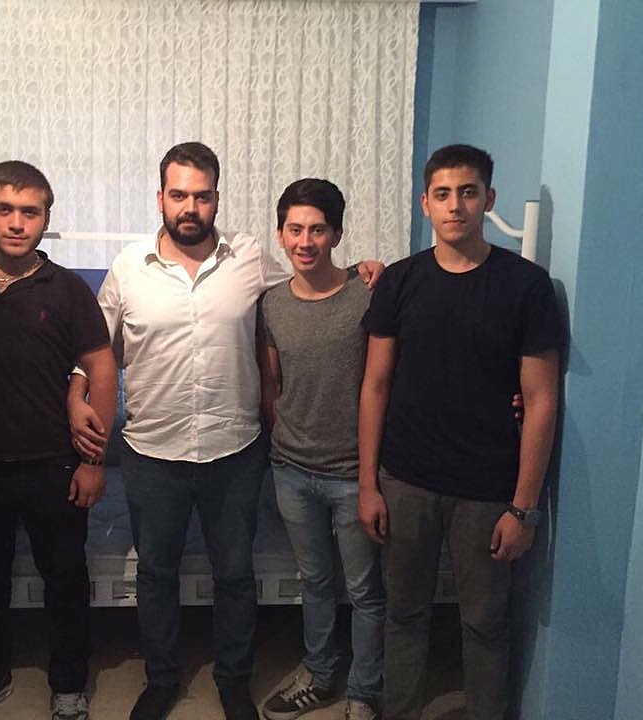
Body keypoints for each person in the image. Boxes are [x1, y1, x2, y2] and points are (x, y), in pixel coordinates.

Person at [70, 142, 381, 720]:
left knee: (235, 576)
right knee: (156, 575)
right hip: (152, 453)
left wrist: (366, 268)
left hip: (233, 451)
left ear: (217, 198)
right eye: (179, 195)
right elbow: (94, 347)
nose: (190, 207)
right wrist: (74, 391)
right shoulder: (128, 268)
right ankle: (161, 680)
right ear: (160, 197)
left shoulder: (250, 258)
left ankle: (234, 680)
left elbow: (310, 279)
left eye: (202, 196)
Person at [358, 144, 563, 720]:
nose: (456, 206)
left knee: (485, 623)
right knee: (403, 615)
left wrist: (523, 508)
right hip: (406, 481)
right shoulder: (400, 281)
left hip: (487, 490)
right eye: (443, 194)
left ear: (488, 199)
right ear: (425, 203)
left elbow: (542, 399)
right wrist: (369, 484)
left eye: (468, 192)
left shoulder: (526, 286)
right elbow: (375, 385)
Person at [0, 161, 117, 720]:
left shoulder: (68, 288)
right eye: (4, 209)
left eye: (31, 211)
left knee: (65, 580)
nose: (17, 223)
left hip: (55, 465)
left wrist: (94, 462)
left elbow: (102, 370)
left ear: (47, 218)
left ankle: (69, 683)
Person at [257, 179, 384, 720]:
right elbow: (271, 383)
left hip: (354, 473)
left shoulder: (368, 293)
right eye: (295, 229)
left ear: (336, 233)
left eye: (317, 229)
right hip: (291, 469)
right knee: (315, 581)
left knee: (365, 590)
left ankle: (364, 691)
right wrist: (283, 435)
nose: (305, 241)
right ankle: (320, 673)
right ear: (280, 234)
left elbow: (384, 381)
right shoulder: (271, 303)